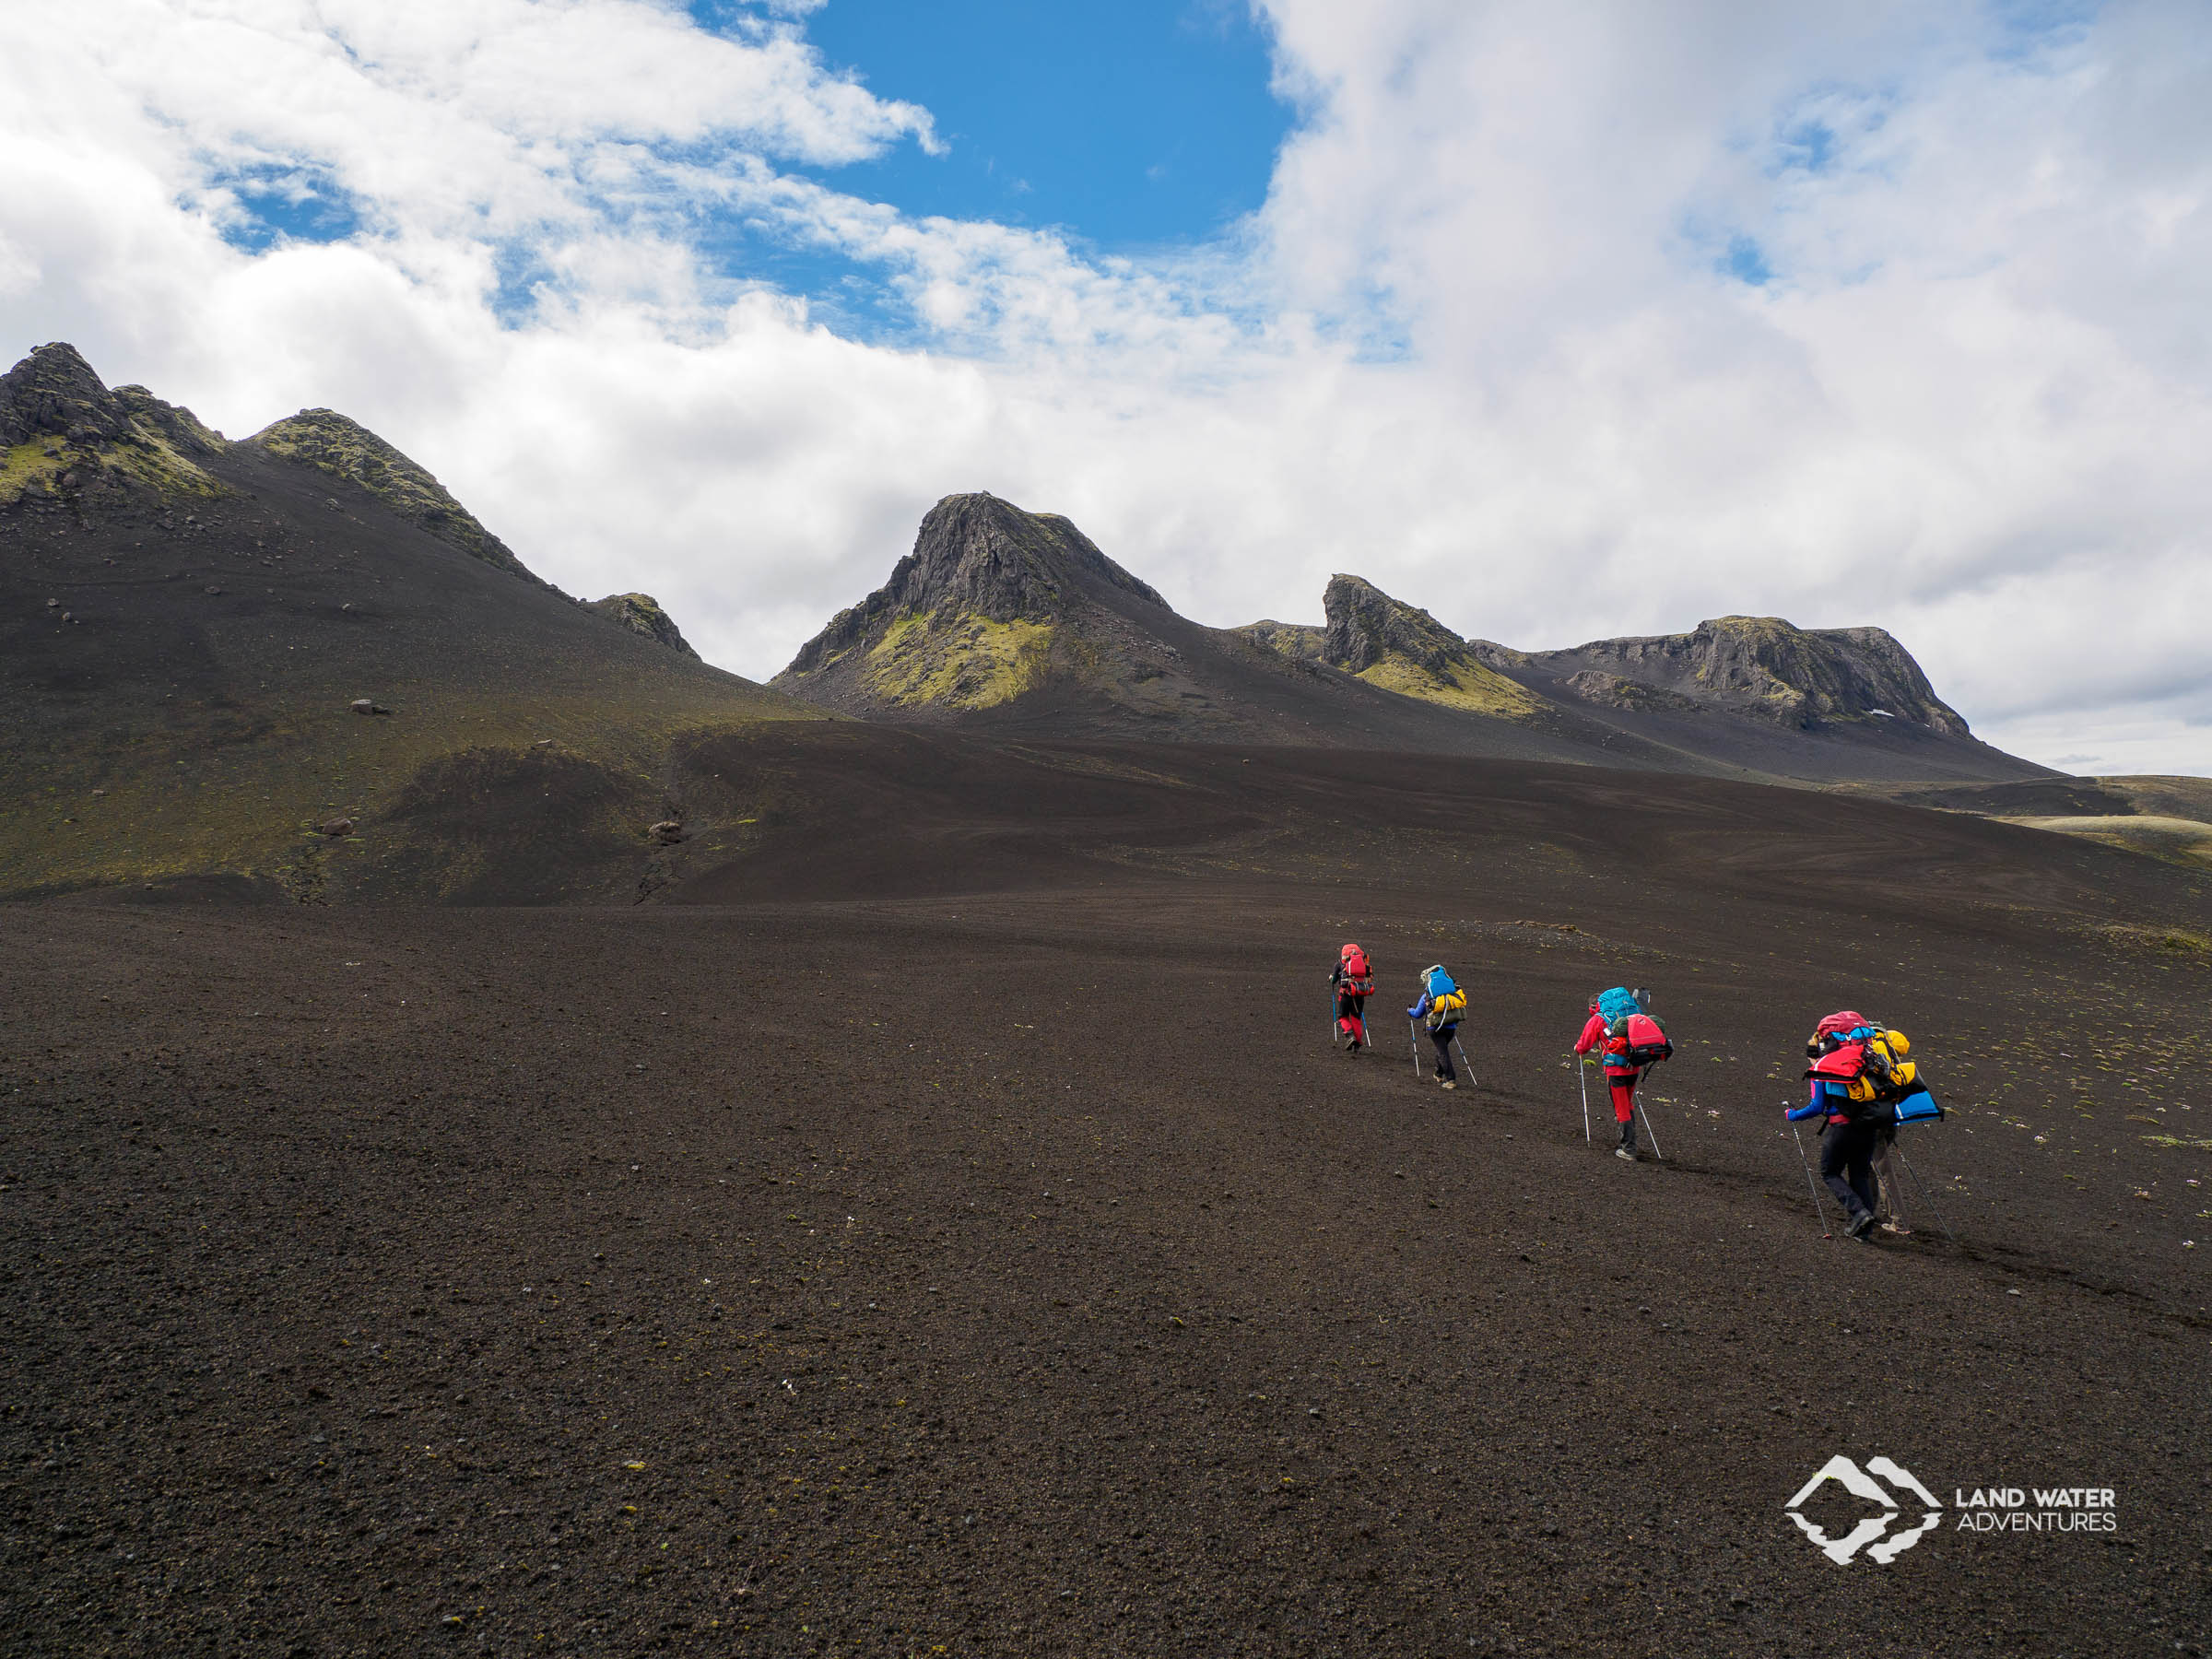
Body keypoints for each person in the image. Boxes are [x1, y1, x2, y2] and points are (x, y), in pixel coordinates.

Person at [1790, 1012, 1883, 1239]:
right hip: (1869, 1127)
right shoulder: (1867, 1060)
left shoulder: (1824, 1067)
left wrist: (1792, 1114)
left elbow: (1816, 1106)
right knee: (1859, 1175)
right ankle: (1865, 1230)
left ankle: (1859, 1213)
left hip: (1842, 1129)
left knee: (1829, 1172)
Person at [1573, 988, 1665, 1160]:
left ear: (1594, 1007)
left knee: (1621, 1106)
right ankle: (1628, 1143)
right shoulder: (1630, 1014)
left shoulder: (1598, 1019)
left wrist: (1578, 1049)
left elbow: (1584, 1045)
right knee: (1627, 1103)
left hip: (1615, 1070)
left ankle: (1628, 1148)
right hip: (1634, 1065)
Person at [1406, 964, 1468, 1089]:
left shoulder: (1427, 996)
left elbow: (1418, 1014)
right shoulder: (1453, 994)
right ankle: (1438, 1074)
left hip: (1435, 1029)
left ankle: (1451, 1079)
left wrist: (1409, 1010)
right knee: (1442, 1050)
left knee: (1443, 1052)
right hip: (1451, 1028)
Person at [1331, 942, 1374, 1054]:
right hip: (1360, 995)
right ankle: (1358, 1043)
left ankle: (1350, 1035)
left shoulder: (1339, 964)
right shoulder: (1364, 964)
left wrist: (1332, 978)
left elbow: (1334, 980)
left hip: (1345, 995)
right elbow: (1369, 978)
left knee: (1343, 1017)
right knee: (1356, 1018)